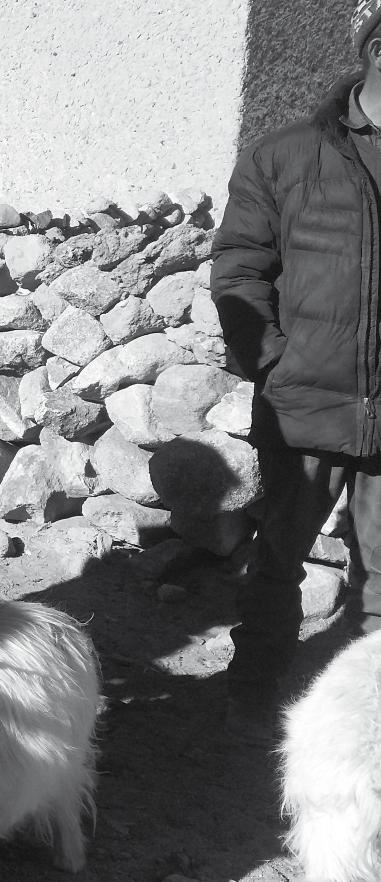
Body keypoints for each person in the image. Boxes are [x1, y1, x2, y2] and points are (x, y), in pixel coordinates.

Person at [211, 0, 381, 744]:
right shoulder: (283, 156)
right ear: (373, 48)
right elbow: (240, 268)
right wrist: (272, 361)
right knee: (277, 561)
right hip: (301, 403)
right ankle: (251, 699)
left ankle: (363, 714)